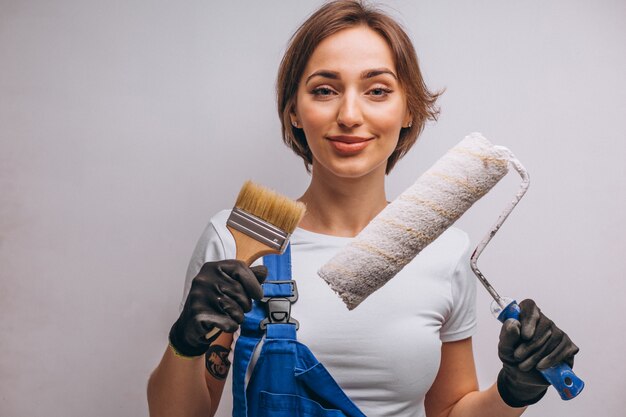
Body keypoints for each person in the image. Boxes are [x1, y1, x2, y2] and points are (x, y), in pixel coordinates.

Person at [147, 1, 579, 416]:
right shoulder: (238, 241)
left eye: (377, 90)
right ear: (294, 111)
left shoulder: (446, 252)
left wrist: (514, 390)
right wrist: (185, 341)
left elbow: (448, 413)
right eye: (324, 90)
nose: (349, 114)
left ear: (408, 109)